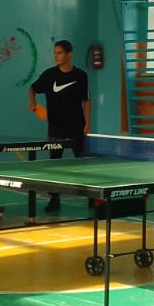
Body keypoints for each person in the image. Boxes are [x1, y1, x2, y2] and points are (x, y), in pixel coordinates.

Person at [28, 39, 91, 213]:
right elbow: (32, 88)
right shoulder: (49, 75)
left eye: (59, 53)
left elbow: (87, 101)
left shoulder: (81, 75)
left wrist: (88, 123)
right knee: (54, 165)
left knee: (83, 162)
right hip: (56, 127)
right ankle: (54, 199)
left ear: (69, 54)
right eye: (55, 53)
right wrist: (32, 102)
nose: (56, 56)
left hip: (77, 126)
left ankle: (92, 197)